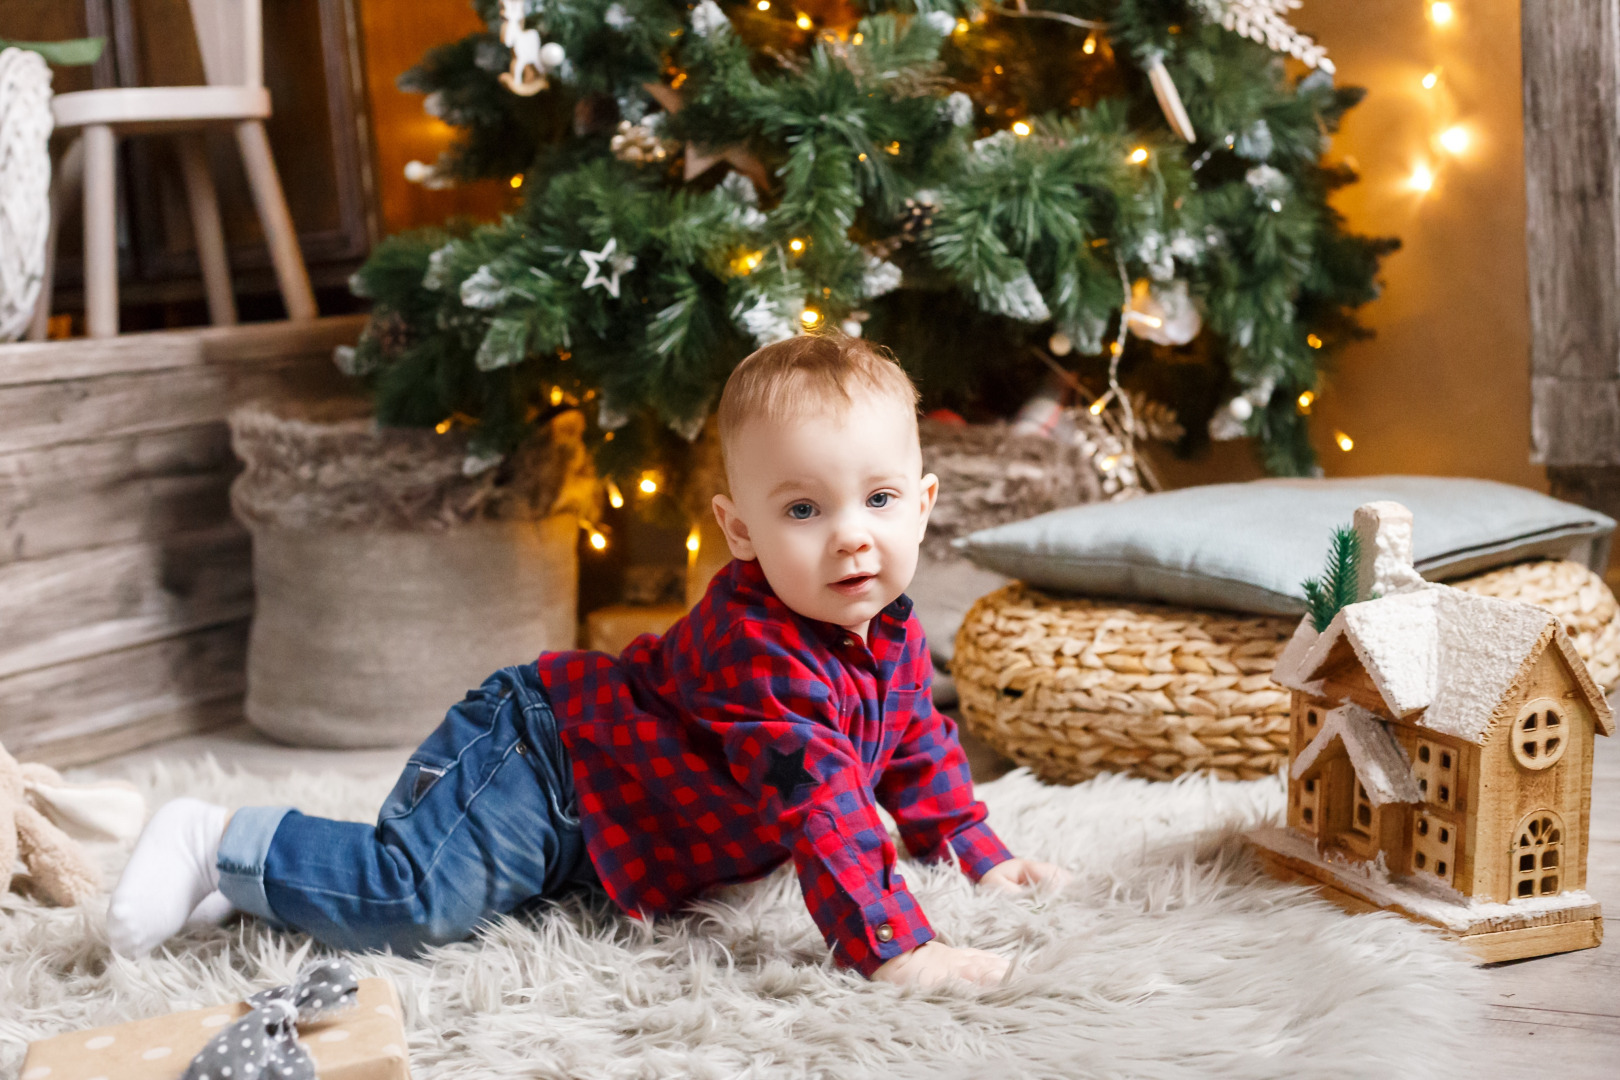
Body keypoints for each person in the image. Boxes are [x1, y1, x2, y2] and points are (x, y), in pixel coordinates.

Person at [107, 332, 1068, 987]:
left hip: (620, 822)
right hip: (546, 763)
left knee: (498, 906)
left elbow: (912, 745)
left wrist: (975, 850)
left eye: (881, 500)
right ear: (739, 531)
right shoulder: (761, 652)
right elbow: (825, 805)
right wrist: (895, 946)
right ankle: (217, 837)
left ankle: (257, 891)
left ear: (927, 500)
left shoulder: (889, 627)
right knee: (419, 902)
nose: (853, 539)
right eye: (804, 511)